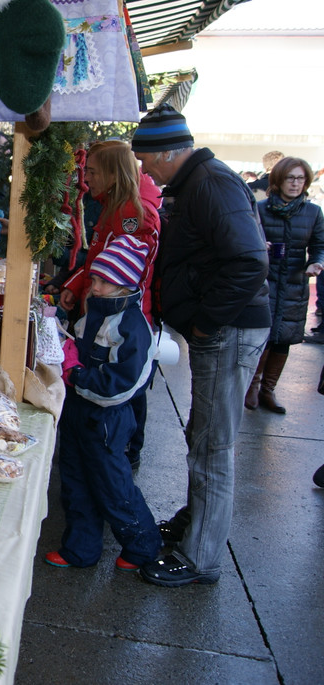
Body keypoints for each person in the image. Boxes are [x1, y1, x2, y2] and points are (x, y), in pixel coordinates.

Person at [130, 105, 270, 588]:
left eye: (146, 159)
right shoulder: (200, 183)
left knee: (212, 444)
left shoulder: (211, 184)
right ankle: (195, 523)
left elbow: (249, 261)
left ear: (169, 152)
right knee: (204, 433)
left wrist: (207, 323)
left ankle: (200, 557)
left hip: (229, 330)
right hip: (223, 328)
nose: (144, 169)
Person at [46, 235, 162, 571]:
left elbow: (121, 386)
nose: (94, 287)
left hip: (107, 421)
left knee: (113, 487)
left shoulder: (133, 327)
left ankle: (142, 546)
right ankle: (80, 549)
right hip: (78, 414)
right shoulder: (93, 312)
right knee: (75, 483)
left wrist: (77, 375)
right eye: (94, 278)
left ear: (125, 285)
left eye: (103, 282)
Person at [59, 140, 161, 470]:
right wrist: (76, 285)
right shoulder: (115, 205)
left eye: (92, 171)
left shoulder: (133, 213)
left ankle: (124, 452)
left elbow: (126, 274)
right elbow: (99, 261)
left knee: (123, 382)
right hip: (101, 308)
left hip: (117, 315)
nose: (86, 179)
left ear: (113, 174)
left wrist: (93, 295)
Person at [244, 157, 324, 413]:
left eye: (301, 178)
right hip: (265, 283)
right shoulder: (260, 208)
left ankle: (268, 390)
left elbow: (319, 245)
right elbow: (247, 241)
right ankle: (252, 386)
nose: (296, 183)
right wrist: (260, 246)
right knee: (263, 337)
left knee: (284, 339)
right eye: (290, 178)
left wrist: (316, 262)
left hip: (294, 284)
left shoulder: (313, 212)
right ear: (278, 180)